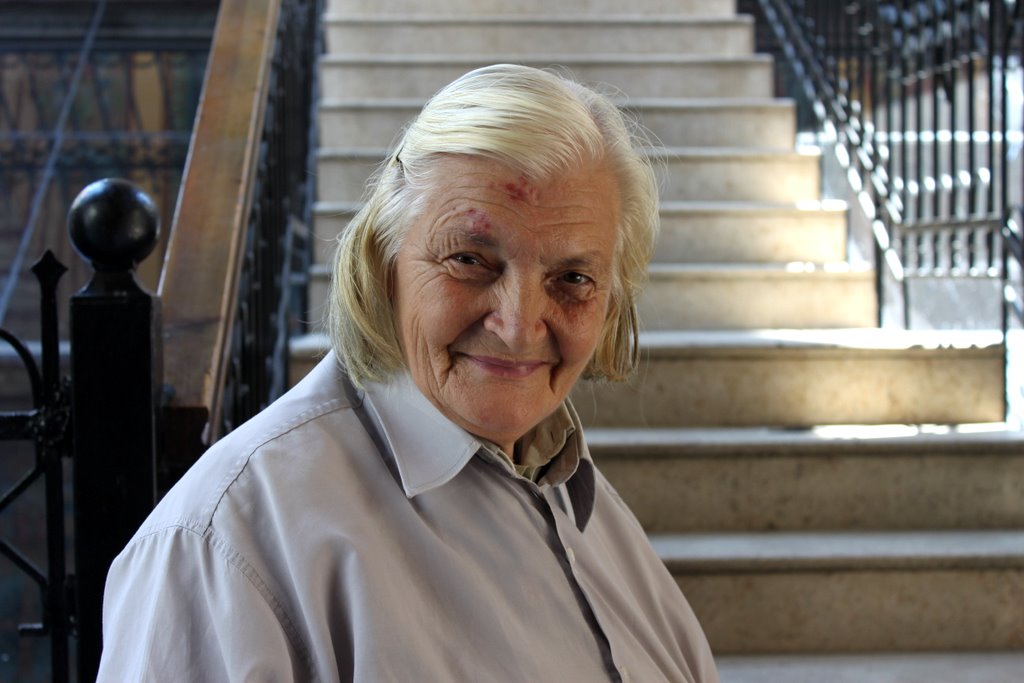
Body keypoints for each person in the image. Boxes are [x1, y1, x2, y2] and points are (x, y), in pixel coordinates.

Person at [97, 64, 719, 682]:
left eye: (573, 278)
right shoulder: (224, 546)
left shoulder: (581, 501)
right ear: (383, 261)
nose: (518, 325)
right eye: (469, 259)